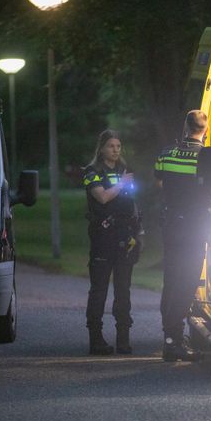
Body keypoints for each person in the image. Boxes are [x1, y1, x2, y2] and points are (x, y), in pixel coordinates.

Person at [154, 110, 211, 362]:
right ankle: (173, 341)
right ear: (205, 130)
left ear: (185, 127)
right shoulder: (208, 156)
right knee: (187, 283)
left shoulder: (166, 153)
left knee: (171, 279)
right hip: (194, 226)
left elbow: (159, 182)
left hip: (171, 224)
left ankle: (170, 337)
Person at [83, 129, 142, 355]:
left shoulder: (124, 170)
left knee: (123, 289)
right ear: (102, 148)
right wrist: (121, 185)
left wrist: (139, 232)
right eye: (111, 146)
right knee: (99, 289)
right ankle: (96, 339)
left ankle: (123, 339)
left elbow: (132, 203)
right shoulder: (92, 172)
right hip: (102, 237)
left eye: (118, 146)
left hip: (124, 236)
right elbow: (103, 197)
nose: (116, 150)